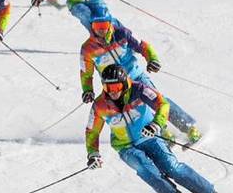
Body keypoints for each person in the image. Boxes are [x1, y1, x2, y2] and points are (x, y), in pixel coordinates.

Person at [85, 65, 233, 193]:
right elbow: (92, 131)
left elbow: (163, 103)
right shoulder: (99, 105)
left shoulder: (139, 90)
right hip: (126, 147)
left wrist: (155, 124)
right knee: (144, 168)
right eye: (108, 88)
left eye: (117, 86)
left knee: (173, 167)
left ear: (125, 83)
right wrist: (93, 154)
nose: (113, 92)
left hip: (150, 137)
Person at [80, 14, 201, 144]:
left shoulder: (122, 34)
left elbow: (143, 46)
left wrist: (152, 59)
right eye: (97, 26)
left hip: (135, 76)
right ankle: (164, 134)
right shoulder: (87, 49)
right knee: (135, 111)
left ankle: (188, 127)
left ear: (110, 24)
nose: (101, 30)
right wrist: (87, 90)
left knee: (158, 100)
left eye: (104, 26)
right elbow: (86, 73)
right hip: (114, 87)